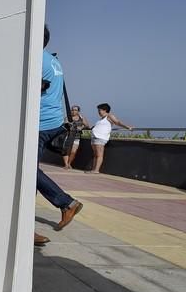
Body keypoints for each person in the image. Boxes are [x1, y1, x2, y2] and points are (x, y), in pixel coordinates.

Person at [35, 25, 84, 247]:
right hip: (53, 121)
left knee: (27, 173)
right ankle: (27, 225)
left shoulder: (37, 60)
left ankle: (65, 202)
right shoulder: (53, 60)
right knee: (29, 174)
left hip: (40, 124)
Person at [88, 103, 133, 173]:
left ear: (105, 110)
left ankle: (96, 170)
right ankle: (93, 169)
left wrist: (127, 127)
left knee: (99, 155)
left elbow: (117, 122)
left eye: (100, 110)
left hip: (100, 138)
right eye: (98, 110)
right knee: (95, 155)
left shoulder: (109, 116)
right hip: (94, 137)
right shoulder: (100, 119)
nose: (98, 112)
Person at [62, 105, 90, 169]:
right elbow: (63, 125)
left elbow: (87, 126)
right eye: (72, 110)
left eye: (75, 110)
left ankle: (69, 163)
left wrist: (82, 127)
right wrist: (68, 125)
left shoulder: (82, 118)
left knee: (73, 151)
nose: (73, 111)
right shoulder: (68, 118)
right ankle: (66, 164)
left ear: (78, 111)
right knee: (66, 150)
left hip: (77, 137)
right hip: (68, 136)